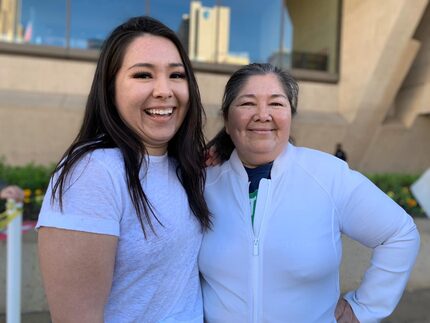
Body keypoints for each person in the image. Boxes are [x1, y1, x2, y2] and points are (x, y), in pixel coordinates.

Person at [199, 63, 420, 322]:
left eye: (276, 103)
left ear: (290, 117)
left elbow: (400, 233)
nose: (262, 114)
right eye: (247, 103)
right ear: (227, 120)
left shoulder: (328, 176)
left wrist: (364, 308)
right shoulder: (202, 182)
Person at [37, 16, 210, 323]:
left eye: (176, 75)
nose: (164, 90)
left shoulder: (185, 166)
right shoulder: (92, 173)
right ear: (110, 88)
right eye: (143, 75)